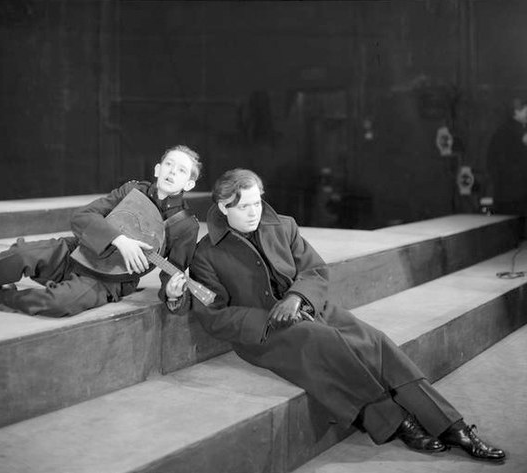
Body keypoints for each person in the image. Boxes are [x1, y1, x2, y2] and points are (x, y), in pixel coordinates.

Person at [171, 168, 505, 463]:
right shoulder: (206, 254)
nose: (254, 212)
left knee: (376, 342)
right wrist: (269, 318)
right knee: (323, 340)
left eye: (257, 203)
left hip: (311, 309)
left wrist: (297, 297)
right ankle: (397, 422)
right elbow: (213, 315)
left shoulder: (282, 225)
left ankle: (453, 427)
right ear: (223, 207)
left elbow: (314, 270)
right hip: (265, 332)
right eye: (244, 207)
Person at [0, 145, 201, 317]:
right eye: (168, 164)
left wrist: (174, 294)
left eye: (181, 170)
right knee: (20, 254)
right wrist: (119, 240)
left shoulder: (184, 224)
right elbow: (83, 216)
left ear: (188, 184)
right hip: (77, 251)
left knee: (57, 304)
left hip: (109, 279)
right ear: (157, 168)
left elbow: (171, 273)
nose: (172, 172)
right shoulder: (133, 190)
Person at [486, 97, 527, 226]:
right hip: (514, 197)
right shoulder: (508, 134)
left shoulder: (504, 132)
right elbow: (503, 164)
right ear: (517, 111)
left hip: (509, 195)